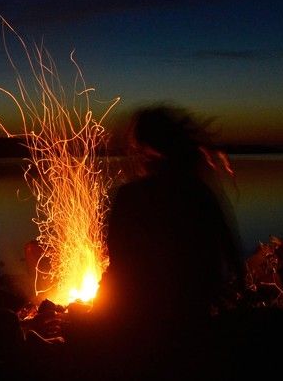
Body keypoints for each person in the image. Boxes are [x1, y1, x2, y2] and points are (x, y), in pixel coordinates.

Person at [92, 105, 243, 377]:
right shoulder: (198, 192)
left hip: (144, 318)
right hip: (193, 312)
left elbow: (119, 260)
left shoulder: (131, 197)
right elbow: (228, 250)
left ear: (143, 147)